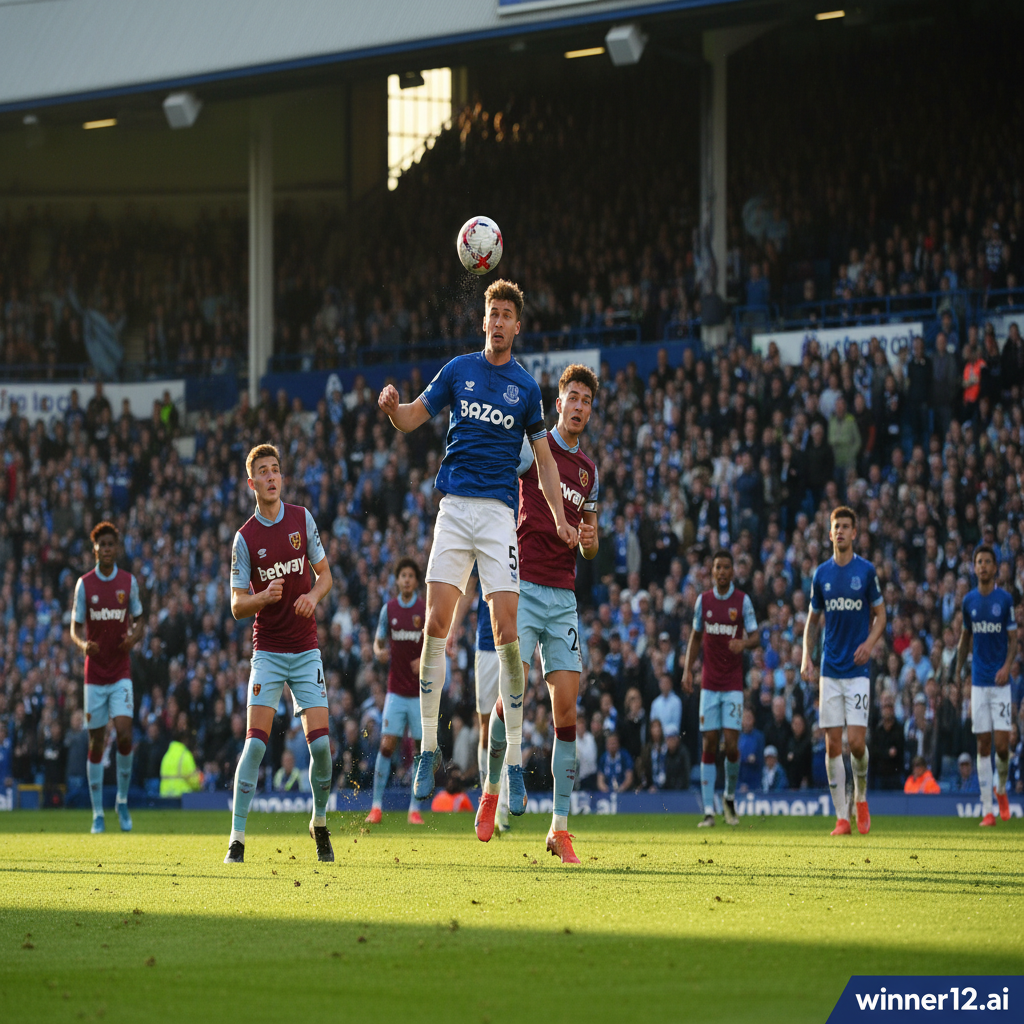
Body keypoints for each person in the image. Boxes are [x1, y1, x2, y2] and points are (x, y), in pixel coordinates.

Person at [378, 279, 577, 816]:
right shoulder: (458, 370)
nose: (498, 320)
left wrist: (559, 517)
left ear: (517, 326)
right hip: (454, 508)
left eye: (507, 313)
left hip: (496, 516)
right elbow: (414, 417)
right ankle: (428, 747)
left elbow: (546, 461)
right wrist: (393, 409)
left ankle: (511, 757)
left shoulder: (528, 389)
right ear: (483, 321)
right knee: (434, 625)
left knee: (507, 633)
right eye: (492, 312)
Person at [477, 364, 599, 865]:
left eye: (586, 401)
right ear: (558, 403)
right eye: (572, 397)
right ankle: (489, 792)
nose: (578, 406)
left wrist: (591, 541)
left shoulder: (590, 470)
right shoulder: (534, 448)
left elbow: (590, 543)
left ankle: (560, 828)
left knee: (567, 710)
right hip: (523, 586)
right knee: (512, 695)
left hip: (563, 597)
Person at [224, 444, 335, 864]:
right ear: (252, 484)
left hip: (305, 649)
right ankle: (236, 839)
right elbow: (237, 605)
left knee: (322, 749)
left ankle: (319, 822)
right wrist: (262, 597)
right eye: (263, 473)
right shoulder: (244, 538)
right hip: (268, 652)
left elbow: (325, 576)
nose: (272, 478)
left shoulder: (301, 519)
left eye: (276, 471)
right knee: (254, 748)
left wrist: (311, 595)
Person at [802, 506, 886, 835]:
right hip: (829, 671)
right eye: (836, 526)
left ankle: (861, 797)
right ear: (830, 534)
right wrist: (805, 657)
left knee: (857, 743)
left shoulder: (865, 572)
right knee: (832, 745)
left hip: (857, 672)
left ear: (855, 533)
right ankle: (841, 817)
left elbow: (881, 615)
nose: (840, 531)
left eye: (846, 527)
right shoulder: (821, 574)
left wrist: (870, 643)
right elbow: (812, 621)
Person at [69, 521, 144, 834]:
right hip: (94, 676)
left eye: (112, 544)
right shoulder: (84, 585)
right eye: (103, 544)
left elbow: (140, 620)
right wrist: (83, 644)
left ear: (117, 547)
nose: (108, 549)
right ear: (95, 549)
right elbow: (74, 628)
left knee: (124, 733)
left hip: (120, 671)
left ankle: (122, 802)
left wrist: (134, 638)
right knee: (96, 742)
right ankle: (98, 812)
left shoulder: (128, 582)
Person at [683, 549, 759, 827]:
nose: (723, 571)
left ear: (732, 571)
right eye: (718, 567)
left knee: (731, 745)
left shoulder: (742, 601)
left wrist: (744, 644)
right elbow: (695, 636)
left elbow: (756, 636)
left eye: (727, 567)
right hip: (709, 684)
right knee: (709, 743)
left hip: (733, 684)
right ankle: (707, 810)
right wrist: (686, 671)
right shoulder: (703, 602)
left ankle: (728, 796)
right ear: (712, 571)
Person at [955, 545, 1018, 825]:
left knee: (1002, 747)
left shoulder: (1004, 600)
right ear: (974, 567)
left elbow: (1014, 640)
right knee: (983, 743)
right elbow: (965, 638)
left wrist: (1006, 666)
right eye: (978, 561)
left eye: (987, 562)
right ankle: (987, 809)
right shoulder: (968, 601)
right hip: (979, 683)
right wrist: (958, 670)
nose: (982, 566)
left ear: (995, 568)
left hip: (1000, 682)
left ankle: (1001, 788)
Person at [366, 557, 428, 825]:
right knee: (387, 744)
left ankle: (414, 809)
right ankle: (376, 807)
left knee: (419, 749)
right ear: (397, 580)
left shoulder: (424, 610)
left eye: (410, 575)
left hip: (419, 694)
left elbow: (436, 645)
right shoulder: (388, 610)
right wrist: (379, 652)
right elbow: (378, 643)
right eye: (402, 575)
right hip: (395, 692)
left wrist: (423, 659)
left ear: (415, 581)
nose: (406, 579)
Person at [447, 567, 510, 831]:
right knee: (486, 729)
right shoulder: (483, 543)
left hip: (514, 644)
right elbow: (469, 589)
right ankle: (489, 800)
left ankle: (503, 807)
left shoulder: (521, 537)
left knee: (508, 726)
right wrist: (452, 630)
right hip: (486, 646)